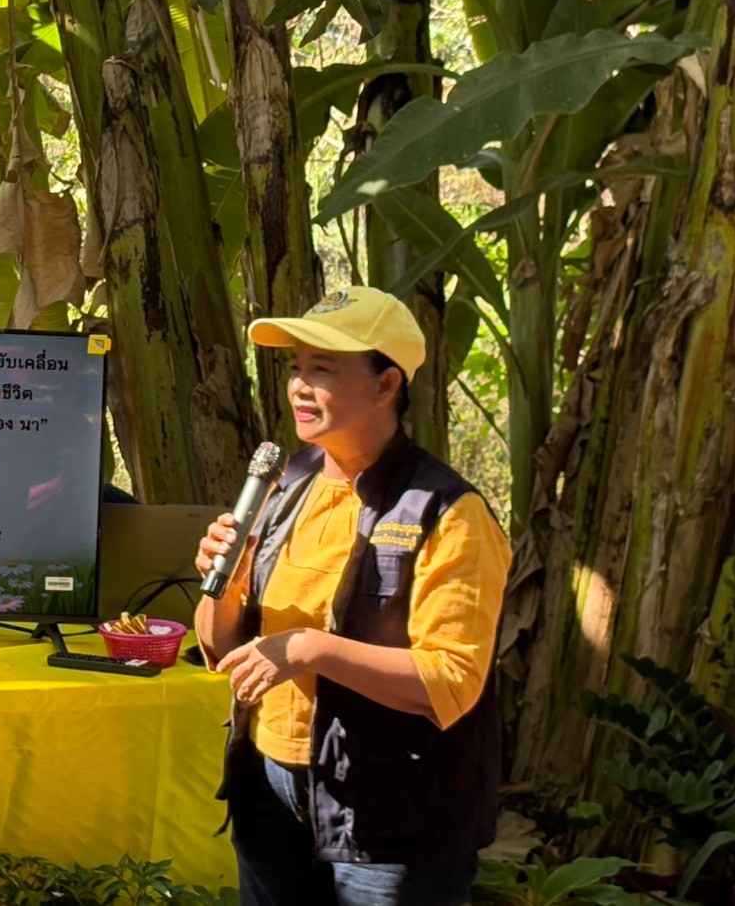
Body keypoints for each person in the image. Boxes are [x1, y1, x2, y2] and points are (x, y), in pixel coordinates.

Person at [194, 286, 512, 906]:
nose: (300, 387)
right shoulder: (288, 480)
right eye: (296, 368)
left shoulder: (448, 511)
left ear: (386, 384)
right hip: (268, 785)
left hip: (390, 813)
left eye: (325, 369)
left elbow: (450, 681)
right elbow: (221, 643)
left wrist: (314, 649)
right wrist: (224, 580)